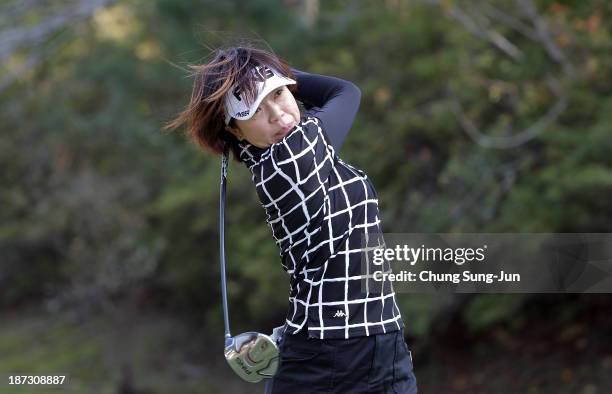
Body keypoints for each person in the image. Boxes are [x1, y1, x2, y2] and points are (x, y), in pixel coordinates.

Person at [166, 46, 418, 393]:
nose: (278, 114)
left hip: (383, 347)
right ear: (237, 132)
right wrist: (273, 71)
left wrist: (258, 69)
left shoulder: (307, 149)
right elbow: (344, 92)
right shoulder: (289, 160)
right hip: (326, 362)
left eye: (279, 94)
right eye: (255, 108)